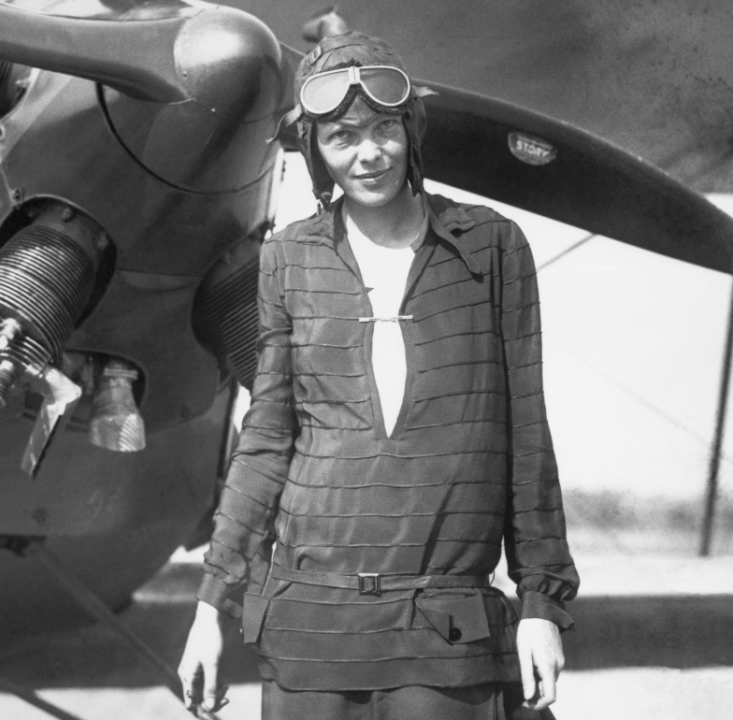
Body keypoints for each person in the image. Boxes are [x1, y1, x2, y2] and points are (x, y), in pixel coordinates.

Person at [179, 31, 579, 720]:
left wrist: (540, 602)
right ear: (317, 154)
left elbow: (525, 435)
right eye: (340, 137)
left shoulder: (492, 246)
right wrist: (210, 605)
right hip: (310, 629)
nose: (367, 153)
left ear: (409, 128)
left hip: (444, 626)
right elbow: (267, 439)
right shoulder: (287, 259)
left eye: (382, 128)